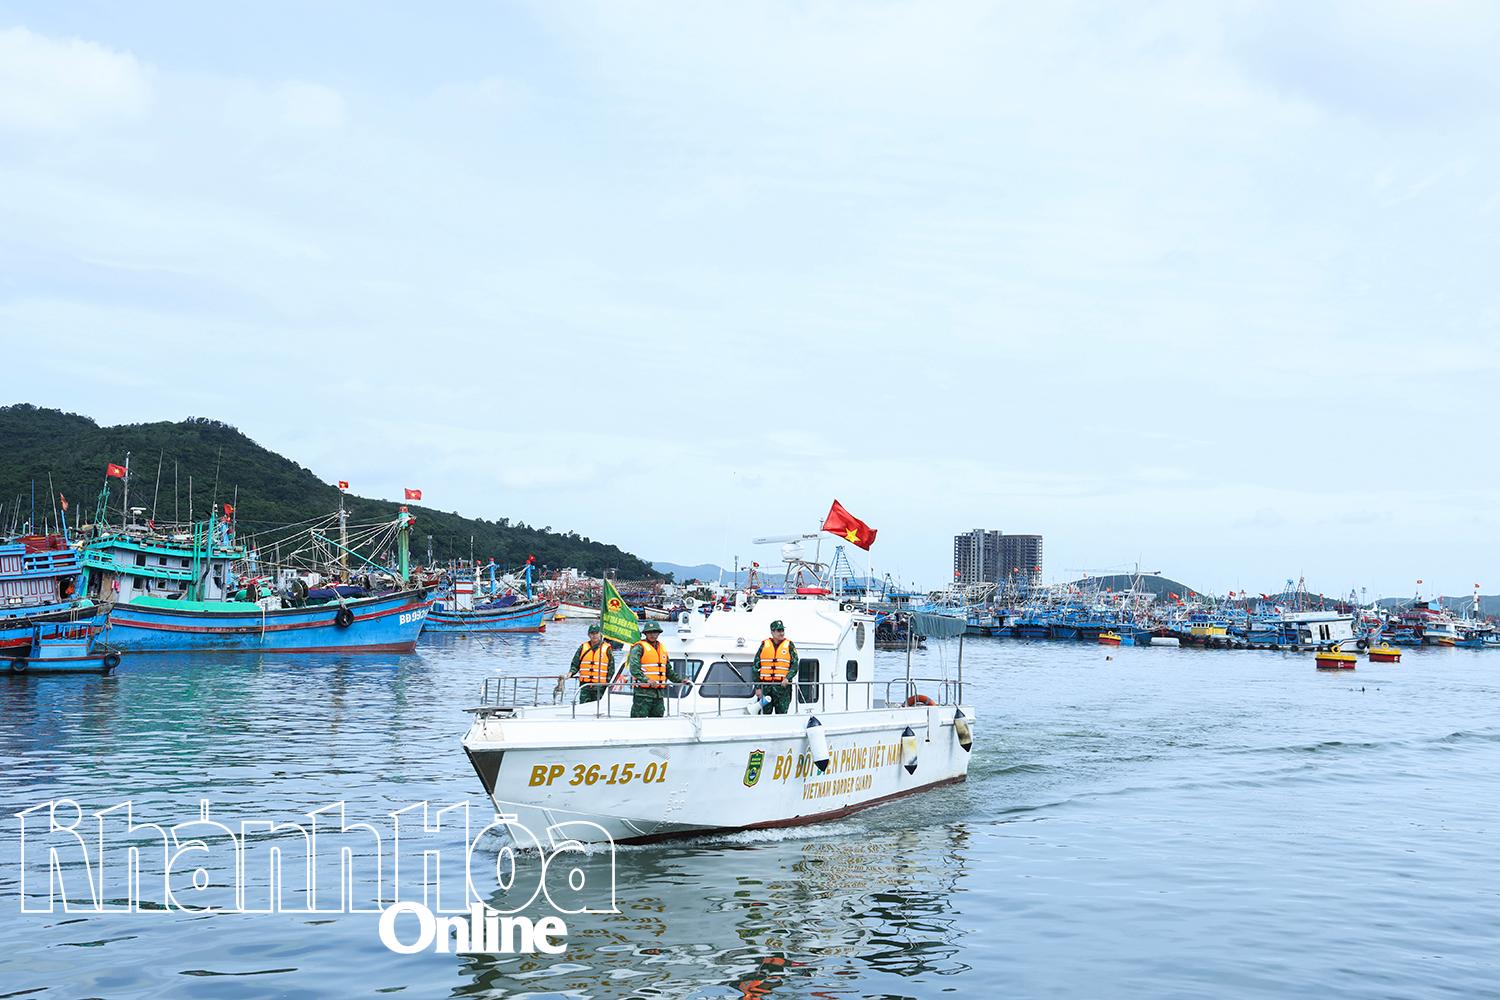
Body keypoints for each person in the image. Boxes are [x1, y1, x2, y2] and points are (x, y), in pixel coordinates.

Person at [627, 620, 683, 718]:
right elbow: (634, 669)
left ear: (658, 633)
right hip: (642, 695)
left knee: (658, 721)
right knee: (638, 722)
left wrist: (680, 680)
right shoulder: (638, 648)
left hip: (658, 695)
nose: (652, 635)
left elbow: (668, 670)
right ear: (645, 634)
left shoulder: (662, 648)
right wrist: (647, 680)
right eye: (649, 632)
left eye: (655, 632)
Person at [755, 619, 799, 714]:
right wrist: (758, 687)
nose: (782, 633)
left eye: (782, 630)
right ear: (772, 632)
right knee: (764, 715)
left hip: (782, 689)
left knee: (782, 715)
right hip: (765, 688)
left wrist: (787, 678)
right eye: (779, 630)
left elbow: (795, 665)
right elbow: (755, 667)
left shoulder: (789, 645)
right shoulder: (764, 645)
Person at [568, 622, 615, 704]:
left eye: (596, 633)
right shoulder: (583, 647)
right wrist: (571, 672)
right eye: (592, 633)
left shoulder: (607, 648)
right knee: (583, 706)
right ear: (589, 635)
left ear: (600, 634)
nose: (594, 635)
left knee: (599, 707)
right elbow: (575, 663)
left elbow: (611, 667)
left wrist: (608, 683)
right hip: (585, 685)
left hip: (600, 686)